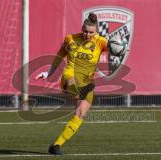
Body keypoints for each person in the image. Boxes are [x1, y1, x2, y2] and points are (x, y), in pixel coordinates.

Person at [35, 12, 107, 155]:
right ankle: (79, 91)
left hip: (87, 82)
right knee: (75, 88)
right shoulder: (70, 39)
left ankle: (56, 145)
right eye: (85, 31)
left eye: (91, 32)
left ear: (96, 32)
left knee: (80, 114)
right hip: (69, 77)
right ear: (82, 28)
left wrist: (121, 48)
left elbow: (116, 49)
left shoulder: (101, 42)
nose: (88, 34)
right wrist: (48, 73)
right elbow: (59, 56)